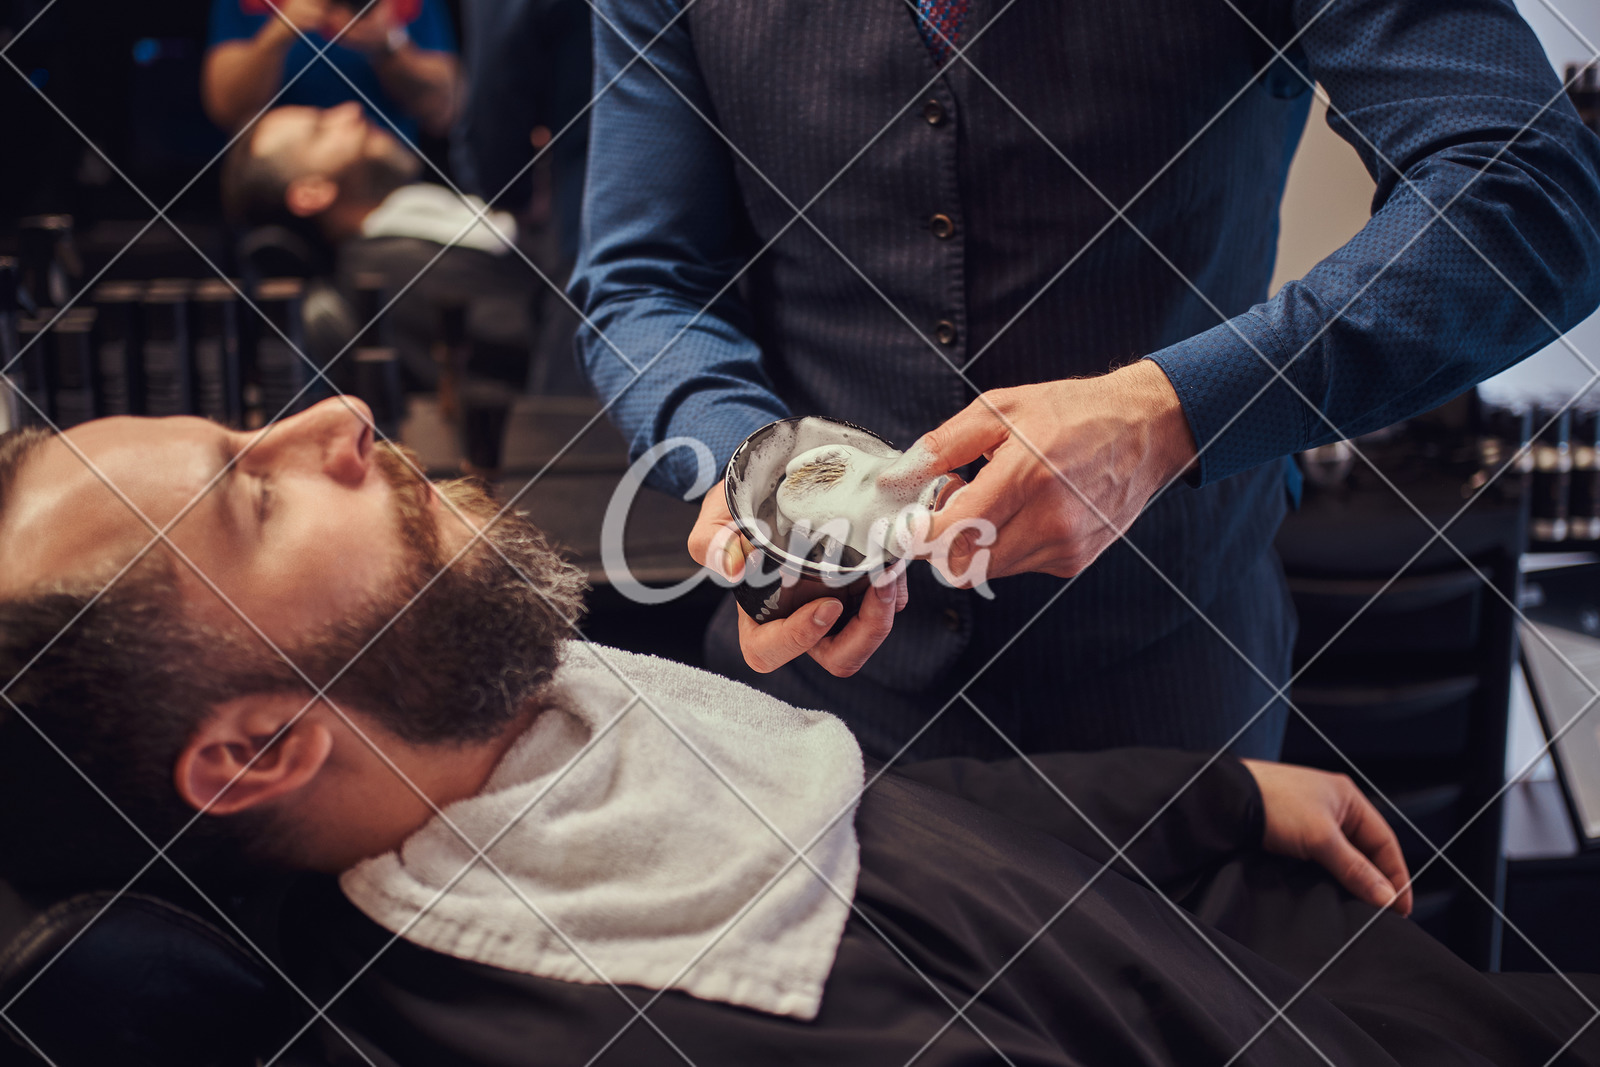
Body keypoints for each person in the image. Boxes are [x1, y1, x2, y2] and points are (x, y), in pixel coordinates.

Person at [1, 411, 1598, 1065]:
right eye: (256, 493)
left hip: (1282, 944)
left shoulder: (537, 749)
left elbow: (889, 819)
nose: (332, 420)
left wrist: (1210, 791)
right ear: (257, 747)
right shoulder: (655, 1004)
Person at [569, 0, 1600, 763]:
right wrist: (760, 468)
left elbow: (1531, 195)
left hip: (1166, 694)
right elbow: (644, 279)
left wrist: (1169, 413)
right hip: (808, 721)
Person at [221, 102, 536, 404]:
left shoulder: (410, 227)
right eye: (320, 129)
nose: (351, 111)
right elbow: (543, 330)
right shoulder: (385, 270)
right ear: (312, 193)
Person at [203, 0, 460, 142]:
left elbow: (444, 111)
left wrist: (389, 44)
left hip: (385, 186)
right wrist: (279, 33)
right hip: (276, 183)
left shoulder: (408, 4)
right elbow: (226, 110)